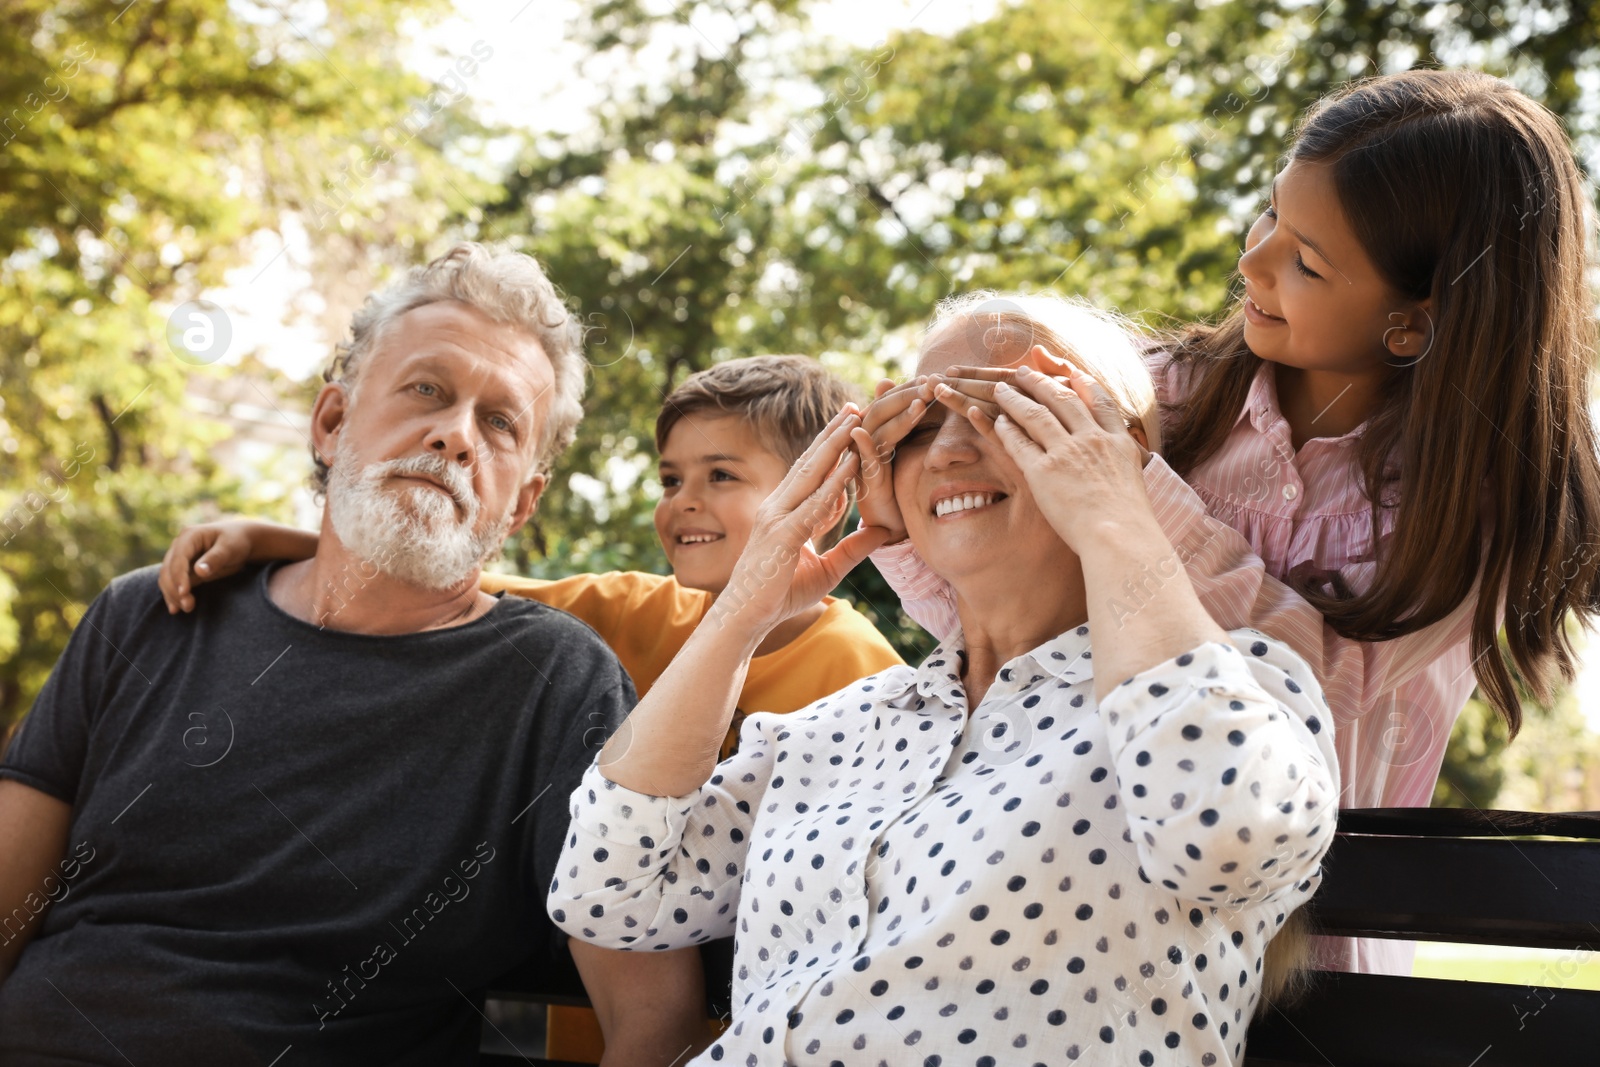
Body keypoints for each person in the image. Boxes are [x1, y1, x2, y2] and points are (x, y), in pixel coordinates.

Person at [858, 70, 1600, 975]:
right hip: (1105, 918)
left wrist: (1130, 501)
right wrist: (907, 528)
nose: (1252, 262)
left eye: (1307, 261)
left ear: (1413, 322)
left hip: (1313, 952)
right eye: (1269, 216)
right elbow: (1027, 649)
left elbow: (1317, 705)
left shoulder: (1471, 504)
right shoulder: (1158, 396)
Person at [549, 296, 1338, 1066]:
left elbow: (1227, 842)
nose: (949, 449)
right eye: (918, 427)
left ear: (1108, 444)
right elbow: (609, 892)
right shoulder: (837, 725)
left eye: (1006, 408)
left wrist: (1114, 503)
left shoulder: (1241, 685)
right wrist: (743, 611)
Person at [0, 243, 704, 1066]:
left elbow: (656, 1017)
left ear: (524, 503)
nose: (454, 436)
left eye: (500, 422)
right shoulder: (149, 614)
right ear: (332, 423)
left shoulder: (556, 687)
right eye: (427, 390)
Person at [152, 355, 905, 1060]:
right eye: (672, 478)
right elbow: (452, 584)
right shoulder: (629, 611)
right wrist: (272, 540)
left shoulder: (865, 676)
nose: (685, 502)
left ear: (822, 498)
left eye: (720, 474)